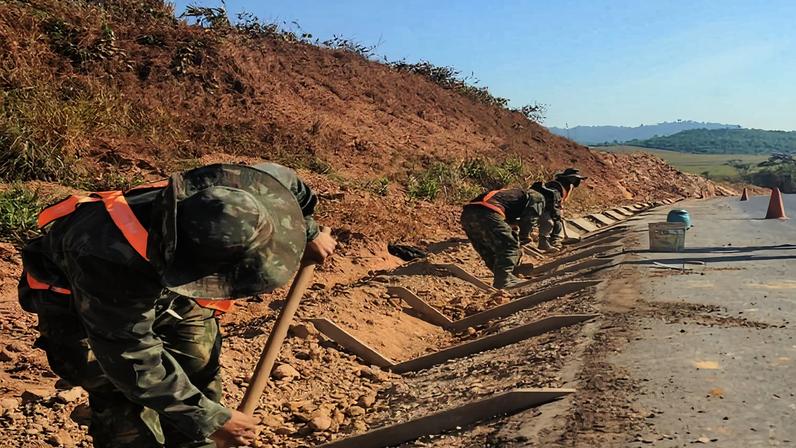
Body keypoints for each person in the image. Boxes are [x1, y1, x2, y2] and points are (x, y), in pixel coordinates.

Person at [18, 163, 337, 448]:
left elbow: (290, 185)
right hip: (85, 308)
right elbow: (130, 355)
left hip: (163, 290)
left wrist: (308, 231)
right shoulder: (104, 255)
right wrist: (207, 418)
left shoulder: (241, 190)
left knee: (199, 368)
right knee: (123, 402)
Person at [460, 187, 550, 289]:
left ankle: (507, 276)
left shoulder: (512, 196)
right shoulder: (538, 197)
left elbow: (510, 224)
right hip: (488, 213)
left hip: (467, 215)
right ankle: (503, 280)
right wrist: (524, 236)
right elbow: (529, 219)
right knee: (509, 246)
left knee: (488, 249)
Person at [538, 167, 588, 252]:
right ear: (567, 178)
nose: (574, 180)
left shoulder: (567, 186)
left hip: (553, 206)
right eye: (573, 178)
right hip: (542, 207)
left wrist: (559, 209)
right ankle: (543, 243)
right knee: (548, 222)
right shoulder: (555, 186)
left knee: (559, 222)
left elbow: (559, 200)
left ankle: (555, 240)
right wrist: (556, 212)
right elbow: (550, 201)